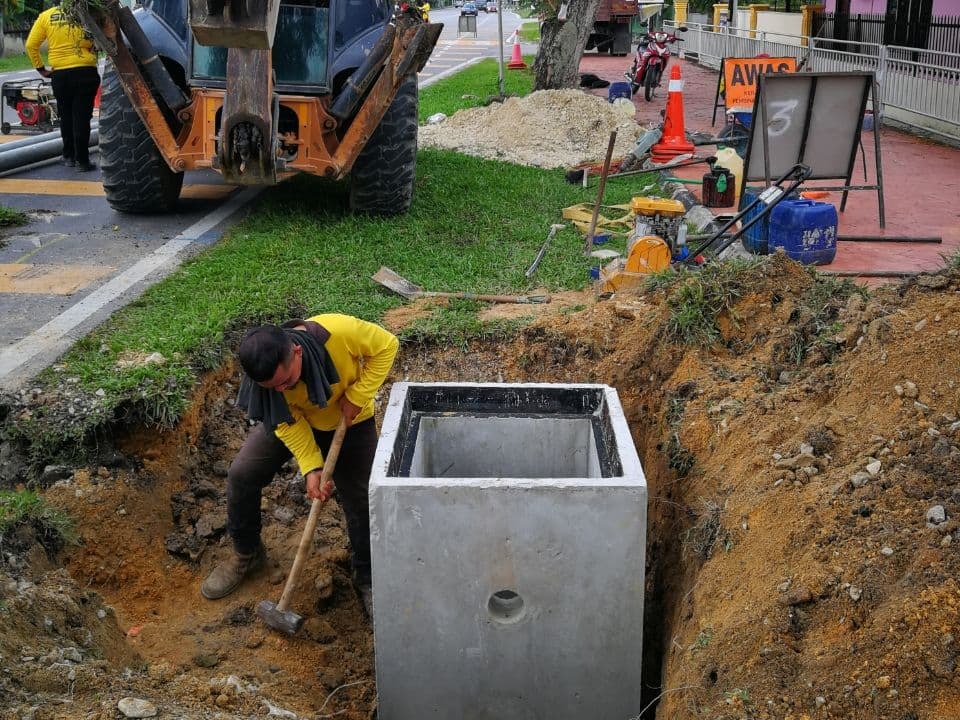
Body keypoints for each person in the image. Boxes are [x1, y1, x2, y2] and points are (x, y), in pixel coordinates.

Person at [201, 313, 399, 617]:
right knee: (243, 473)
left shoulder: (339, 333)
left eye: (286, 381)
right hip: (291, 421)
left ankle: (368, 576)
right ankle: (247, 554)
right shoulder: (268, 384)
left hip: (348, 418)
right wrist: (311, 466)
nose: (281, 390)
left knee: (362, 499)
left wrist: (359, 395)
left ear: (297, 351)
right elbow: (286, 422)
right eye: (272, 387)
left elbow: (387, 345)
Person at [26, 5, 101, 172]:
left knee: (66, 115)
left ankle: (69, 157)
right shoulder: (87, 11)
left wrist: (41, 69)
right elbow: (99, 40)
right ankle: (83, 161)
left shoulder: (46, 16)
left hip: (60, 74)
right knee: (81, 117)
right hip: (85, 72)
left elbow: (31, 45)